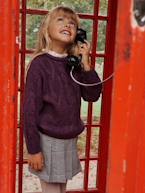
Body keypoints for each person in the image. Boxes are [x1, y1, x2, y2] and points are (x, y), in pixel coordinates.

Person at [23, 5, 102, 193]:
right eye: (60, 20)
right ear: (46, 29)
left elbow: (92, 95)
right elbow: (30, 110)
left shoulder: (73, 65)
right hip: (48, 140)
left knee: (61, 190)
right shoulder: (40, 64)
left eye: (72, 23)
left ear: (78, 33)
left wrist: (85, 62)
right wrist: (33, 149)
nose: (68, 24)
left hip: (69, 139)